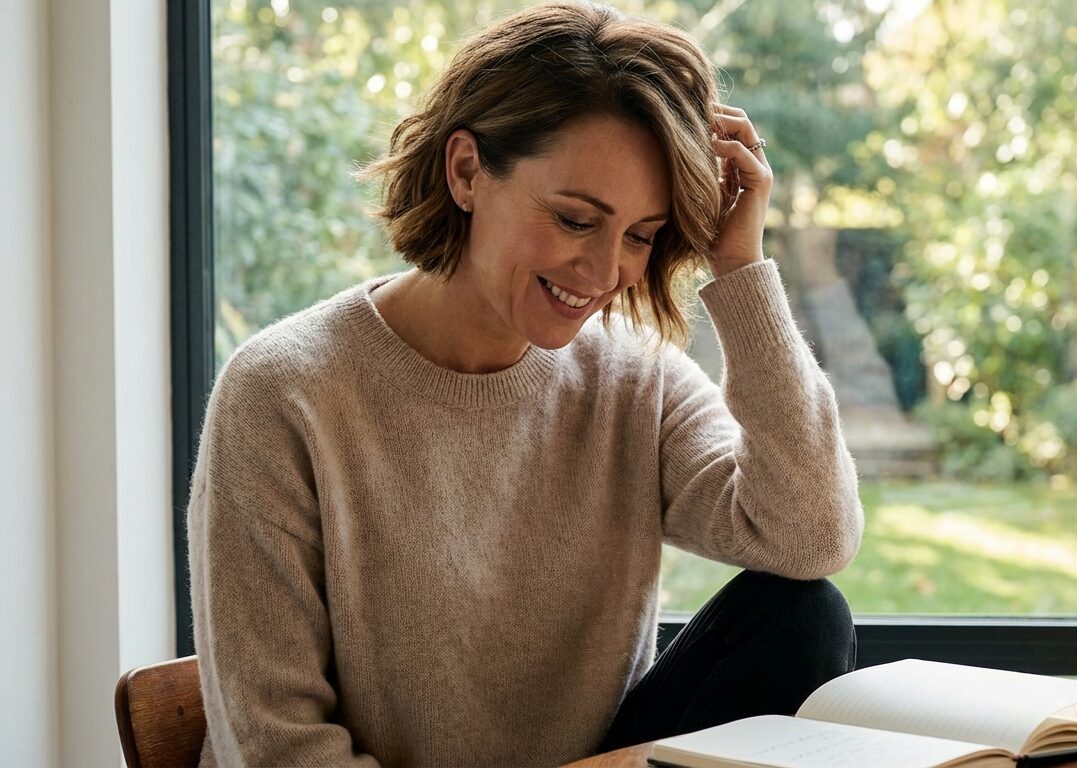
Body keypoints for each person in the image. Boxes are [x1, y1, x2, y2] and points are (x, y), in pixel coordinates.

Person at [187, 2, 864, 765]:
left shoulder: (633, 379)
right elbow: (278, 747)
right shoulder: (285, 391)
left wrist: (741, 269)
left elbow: (810, 536)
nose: (606, 272)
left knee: (803, 614)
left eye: (640, 236)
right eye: (577, 219)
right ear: (468, 171)